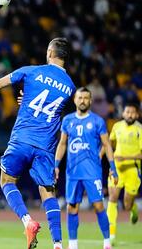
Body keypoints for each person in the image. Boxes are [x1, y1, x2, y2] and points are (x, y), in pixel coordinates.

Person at [0, 37, 76, 249]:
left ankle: (27, 221)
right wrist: (28, 100)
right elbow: (54, 110)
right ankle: (57, 243)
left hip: (22, 139)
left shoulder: (31, 71)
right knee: (48, 192)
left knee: (7, 181)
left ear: (49, 52)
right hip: (46, 146)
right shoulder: (70, 87)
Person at [54, 87, 118, 249]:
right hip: (73, 172)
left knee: (98, 206)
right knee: (72, 206)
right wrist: (56, 165)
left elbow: (107, 145)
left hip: (92, 171)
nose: (82, 100)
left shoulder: (97, 121)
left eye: (86, 98)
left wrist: (112, 167)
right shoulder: (67, 120)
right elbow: (62, 144)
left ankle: (106, 241)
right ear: (75, 100)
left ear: (90, 101)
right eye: (80, 97)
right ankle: (73, 244)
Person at [107, 103, 142, 245]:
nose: (130, 115)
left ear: (137, 115)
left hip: (132, 170)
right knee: (113, 198)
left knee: (127, 204)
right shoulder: (117, 126)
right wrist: (106, 159)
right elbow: (110, 143)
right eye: (127, 112)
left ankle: (133, 209)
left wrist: (125, 158)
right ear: (123, 113)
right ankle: (112, 235)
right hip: (116, 169)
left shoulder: (140, 129)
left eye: (132, 113)